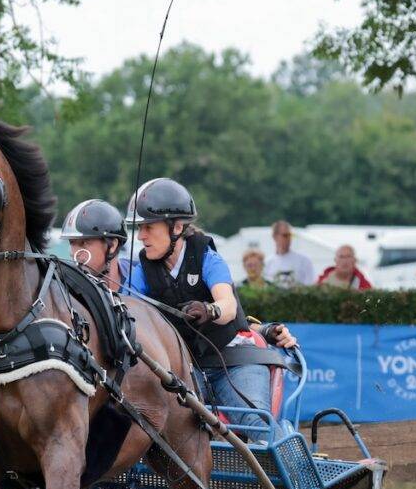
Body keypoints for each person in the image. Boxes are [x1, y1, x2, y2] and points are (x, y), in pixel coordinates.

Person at [124, 178, 296, 434]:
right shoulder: (142, 271)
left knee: (255, 423)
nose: (141, 236)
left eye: (149, 227)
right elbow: (126, 312)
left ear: (177, 227)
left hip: (233, 361)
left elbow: (227, 306)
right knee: (169, 428)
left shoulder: (207, 257)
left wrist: (209, 310)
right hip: (186, 369)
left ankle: (290, 459)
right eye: (140, 228)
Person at [61, 199, 132, 291]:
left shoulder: (141, 275)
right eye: (72, 243)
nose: (74, 253)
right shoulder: (65, 289)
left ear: (112, 245)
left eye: (84, 243)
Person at [264, 220, 315, 289]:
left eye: (290, 235)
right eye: (285, 235)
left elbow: (310, 286)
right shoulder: (267, 263)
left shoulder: (304, 261)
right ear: (274, 237)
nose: (288, 238)